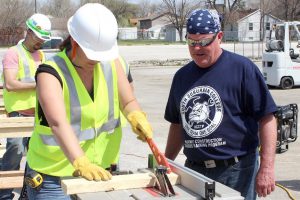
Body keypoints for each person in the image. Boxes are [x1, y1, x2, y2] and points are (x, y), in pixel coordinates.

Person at [25, 3, 152, 199]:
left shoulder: (111, 62)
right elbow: (58, 124)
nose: (97, 60)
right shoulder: (50, 73)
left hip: (100, 173)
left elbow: (128, 101)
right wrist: (81, 162)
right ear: (74, 42)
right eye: (93, 54)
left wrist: (135, 115)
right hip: (53, 178)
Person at [164, 9, 277, 200]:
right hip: (195, 171)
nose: (197, 48)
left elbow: (267, 118)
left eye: (203, 42)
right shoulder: (181, 77)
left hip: (236, 171)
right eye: (191, 42)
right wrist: (166, 162)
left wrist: (267, 168)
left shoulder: (242, 69)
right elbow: (177, 124)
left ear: (219, 37)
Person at [0, 13, 51, 200]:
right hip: (18, 114)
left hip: (37, 114)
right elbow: (11, 84)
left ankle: (27, 193)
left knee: (36, 158)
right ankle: (4, 193)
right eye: (39, 39)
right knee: (15, 152)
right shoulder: (13, 53)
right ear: (29, 32)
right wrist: (39, 83)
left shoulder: (42, 54)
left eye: (44, 40)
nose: (41, 43)